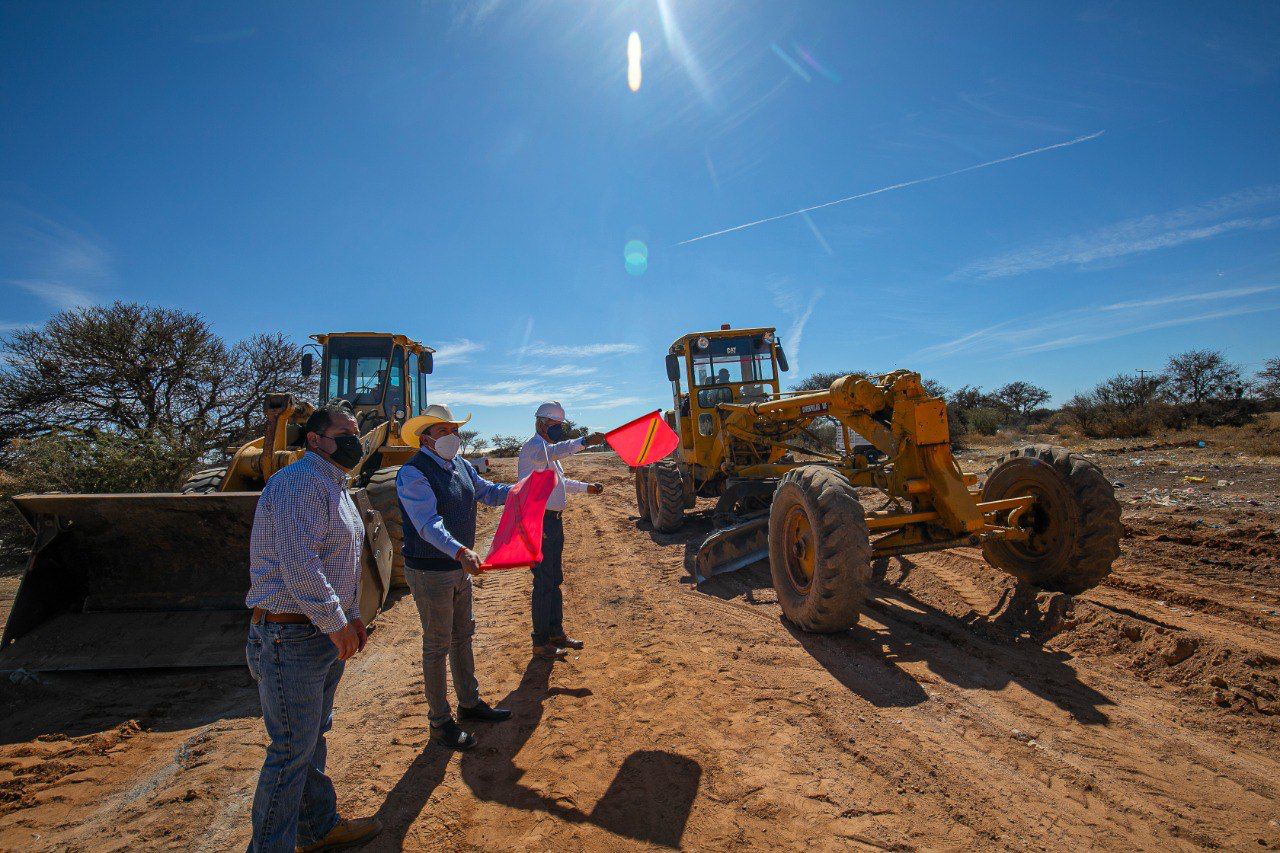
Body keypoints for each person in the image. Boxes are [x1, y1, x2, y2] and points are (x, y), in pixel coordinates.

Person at [245, 403, 382, 853]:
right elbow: (299, 564)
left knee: (309, 741)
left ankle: (316, 828)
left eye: (356, 431)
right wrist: (333, 620)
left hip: (316, 634)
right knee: (289, 754)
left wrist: (352, 615)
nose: (354, 439)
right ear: (314, 440)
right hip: (291, 636)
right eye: (344, 431)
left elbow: (337, 561)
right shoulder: (299, 483)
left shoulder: (335, 486)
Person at [396, 404, 513, 750]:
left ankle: (469, 703)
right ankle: (440, 721)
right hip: (432, 571)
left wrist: (522, 489)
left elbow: (488, 492)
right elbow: (427, 523)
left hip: (457, 570)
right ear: (425, 437)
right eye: (442, 430)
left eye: (453, 430)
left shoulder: (459, 465)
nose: (451, 436)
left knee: (463, 636)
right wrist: (460, 551)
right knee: (437, 645)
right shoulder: (413, 473)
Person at [517, 402, 606, 660]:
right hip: (538, 520)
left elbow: (561, 482)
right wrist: (585, 441)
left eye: (560, 427)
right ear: (540, 424)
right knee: (543, 581)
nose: (557, 430)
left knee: (554, 579)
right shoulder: (535, 448)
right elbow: (558, 450)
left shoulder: (547, 453)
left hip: (553, 521)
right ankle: (540, 641)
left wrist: (586, 487)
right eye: (554, 426)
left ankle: (556, 633)